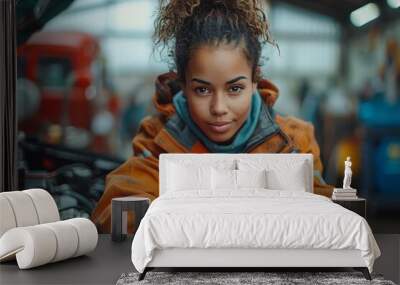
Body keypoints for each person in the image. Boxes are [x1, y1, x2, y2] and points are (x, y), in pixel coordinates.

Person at [91, 0, 334, 233]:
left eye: (235, 89)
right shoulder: (157, 140)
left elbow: (324, 217)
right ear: (184, 85)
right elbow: (119, 213)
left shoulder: (294, 143)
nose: (219, 108)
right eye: (202, 90)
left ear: (254, 81)